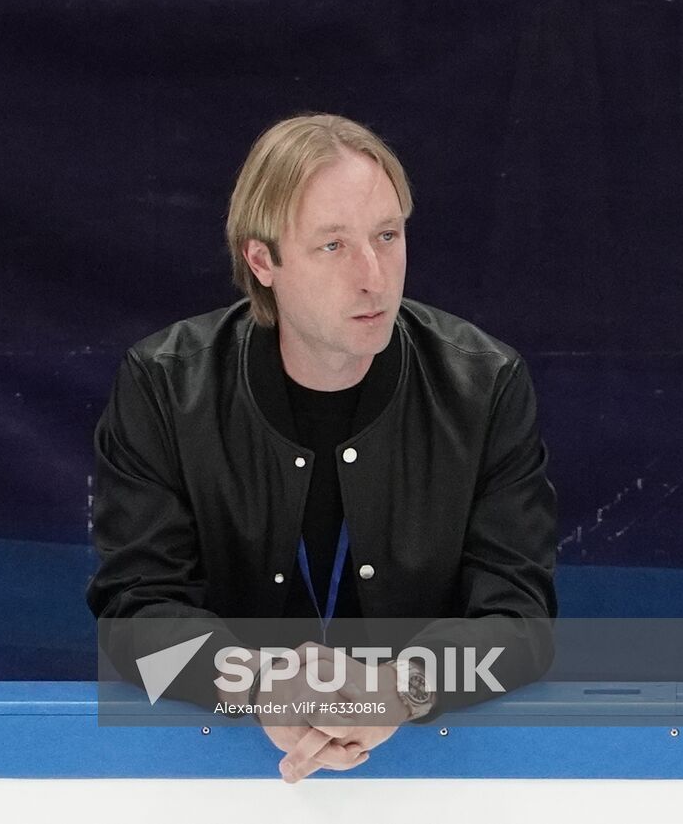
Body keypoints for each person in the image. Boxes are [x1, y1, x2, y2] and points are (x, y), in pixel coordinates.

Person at [87, 113, 557, 781]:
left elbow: (522, 626)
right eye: (333, 246)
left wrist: (399, 687)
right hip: (223, 770)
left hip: (429, 771)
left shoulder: (484, 386)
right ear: (262, 259)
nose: (374, 275)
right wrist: (258, 687)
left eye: (387, 236)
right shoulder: (165, 385)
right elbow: (131, 621)